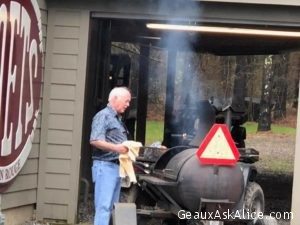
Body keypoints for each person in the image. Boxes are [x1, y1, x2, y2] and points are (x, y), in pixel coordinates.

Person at [90, 87, 131, 225]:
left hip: (116, 168)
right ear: (115, 98)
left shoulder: (118, 120)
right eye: (126, 101)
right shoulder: (103, 116)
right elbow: (95, 140)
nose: (128, 104)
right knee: (103, 208)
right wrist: (118, 148)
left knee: (113, 208)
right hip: (104, 167)